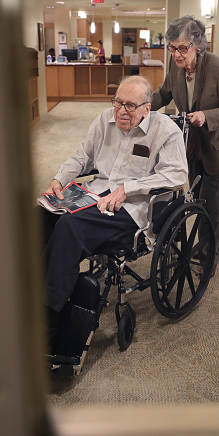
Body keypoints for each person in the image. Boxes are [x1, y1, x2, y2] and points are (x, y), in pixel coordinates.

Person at [41, 75, 188, 343]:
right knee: (41, 216)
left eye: (130, 105)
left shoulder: (166, 130)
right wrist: (59, 179)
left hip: (133, 206)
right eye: (118, 102)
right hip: (95, 192)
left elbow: (177, 174)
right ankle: (43, 290)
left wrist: (128, 188)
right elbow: (83, 157)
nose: (121, 110)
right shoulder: (103, 120)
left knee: (69, 227)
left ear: (147, 108)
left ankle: (49, 316)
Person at [151, 16, 219, 259]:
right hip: (196, 146)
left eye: (183, 48)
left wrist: (207, 116)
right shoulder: (176, 68)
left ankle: (208, 257)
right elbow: (164, 94)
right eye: (172, 48)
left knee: (212, 204)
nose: (176, 54)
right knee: (198, 200)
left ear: (198, 46)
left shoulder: (216, 68)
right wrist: (140, 106)